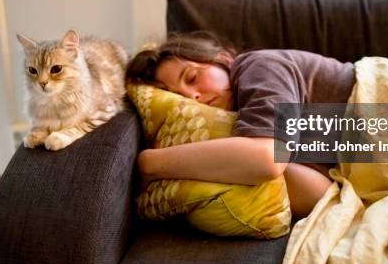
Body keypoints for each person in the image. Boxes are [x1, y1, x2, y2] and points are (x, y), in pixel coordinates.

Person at [126, 31, 356, 218]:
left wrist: (151, 163)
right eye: (181, 98)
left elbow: (267, 158)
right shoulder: (248, 123)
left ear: (222, 58)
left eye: (192, 77)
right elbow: (323, 197)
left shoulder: (257, 66)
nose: (193, 97)